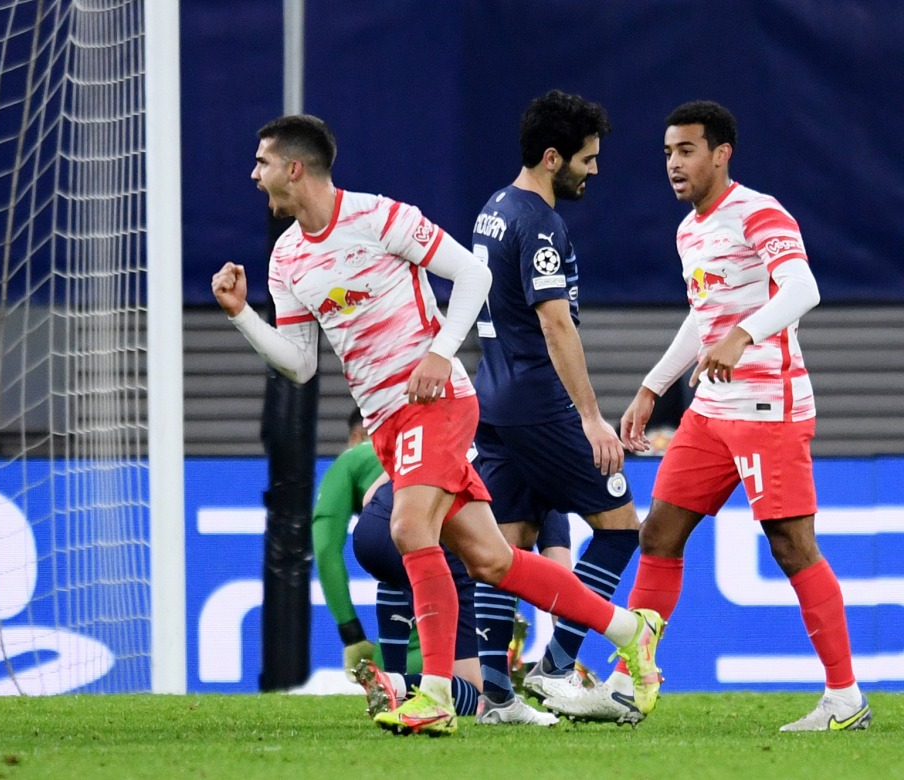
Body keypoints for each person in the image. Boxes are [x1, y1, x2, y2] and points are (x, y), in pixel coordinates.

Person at [213, 114, 663, 736]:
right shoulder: (287, 259)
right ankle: (629, 630)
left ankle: (435, 696)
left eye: (261, 162)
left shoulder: (379, 217)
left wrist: (439, 352)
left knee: (406, 525)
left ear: (295, 168)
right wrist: (242, 317)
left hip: (439, 402)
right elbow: (298, 364)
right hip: (387, 422)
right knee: (491, 560)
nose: (253, 174)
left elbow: (473, 274)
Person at [546, 100, 871, 732]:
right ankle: (625, 687)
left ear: (722, 154)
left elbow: (803, 289)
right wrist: (651, 386)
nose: (674, 163)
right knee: (657, 536)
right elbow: (704, 314)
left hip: (769, 408)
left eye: (687, 150)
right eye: (668, 152)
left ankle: (845, 698)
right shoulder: (689, 230)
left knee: (791, 544)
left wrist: (744, 335)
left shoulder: (760, 212)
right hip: (711, 411)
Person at [468, 90, 643, 721]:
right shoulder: (538, 221)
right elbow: (555, 325)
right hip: (539, 404)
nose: (593, 170)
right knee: (621, 529)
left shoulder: (494, 208)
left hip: (493, 398)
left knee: (508, 546)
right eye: (587, 159)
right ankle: (559, 667)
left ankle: (495, 696)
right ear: (552, 158)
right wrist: (592, 418)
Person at [352, 471, 574, 726]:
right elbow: (560, 575)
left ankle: (392, 684)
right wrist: (564, 657)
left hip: (372, 528)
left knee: (400, 569)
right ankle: (396, 684)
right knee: (475, 688)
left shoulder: (466, 435)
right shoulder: (542, 471)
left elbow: (369, 497)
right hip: (439, 544)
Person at [312, 408, 385, 679]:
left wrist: (351, 633)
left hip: (413, 553)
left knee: (392, 670)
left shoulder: (353, 457)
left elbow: (324, 548)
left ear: (356, 435)